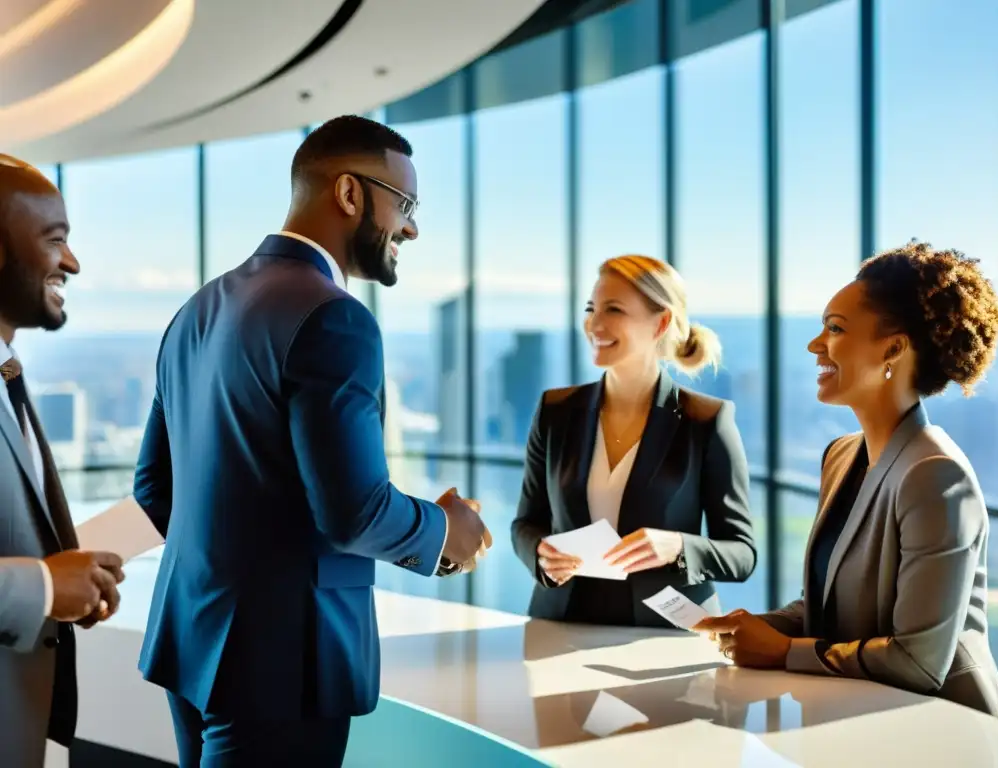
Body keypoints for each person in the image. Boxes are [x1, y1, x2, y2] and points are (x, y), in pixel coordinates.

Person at [133, 116, 491, 766]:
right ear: (351, 194)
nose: (411, 227)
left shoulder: (196, 309)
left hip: (193, 640)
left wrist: (236, 567)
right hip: (283, 665)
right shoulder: (335, 318)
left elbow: (154, 489)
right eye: (405, 205)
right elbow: (354, 513)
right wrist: (446, 529)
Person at [694, 241, 998, 719]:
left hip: (947, 729)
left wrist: (782, 652)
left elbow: (919, 663)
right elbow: (831, 608)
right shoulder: (842, 456)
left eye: (835, 329)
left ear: (893, 348)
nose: (814, 344)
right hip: (860, 716)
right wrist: (755, 626)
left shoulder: (936, 474)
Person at [511, 255, 756, 626]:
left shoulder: (706, 420)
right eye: (591, 308)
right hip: (561, 625)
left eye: (614, 309)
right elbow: (526, 523)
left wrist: (678, 547)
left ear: (660, 323)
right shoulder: (555, 411)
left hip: (664, 635)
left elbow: (742, 553)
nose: (594, 323)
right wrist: (540, 554)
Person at [0, 155, 125, 766]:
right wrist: (47, 586)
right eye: (56, 241)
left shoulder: (8, 375)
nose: (71, 263)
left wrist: (72, 576)